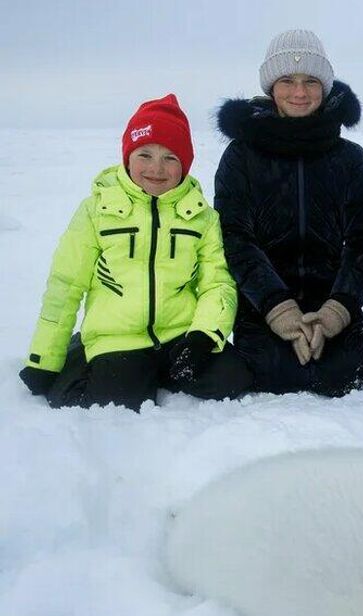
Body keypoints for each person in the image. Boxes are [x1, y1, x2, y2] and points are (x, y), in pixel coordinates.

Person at [19, 94, 250, 412]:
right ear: (127, 157)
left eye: (171, 157)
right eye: (145, 155)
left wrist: (203, 336)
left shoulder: (202, 216)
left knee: (233, 379)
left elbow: (217, 283)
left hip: (178, 334)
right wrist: (44, 358)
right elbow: (65, 285)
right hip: (119, 337)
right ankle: (81, 352)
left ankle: (162, 368)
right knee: (119, 402)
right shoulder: (96, 211)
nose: (157, 168)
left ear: (185, 164)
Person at [214, 29, 363, 397]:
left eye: (310, 81)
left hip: (334, 308)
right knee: (270, 375)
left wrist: (337, 310)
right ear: (271, 86)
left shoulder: (350, 159)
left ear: (325, 86)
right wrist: (278, 309)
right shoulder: (241, 157)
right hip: (264, 311)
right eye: (287, 81)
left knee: (344, 376)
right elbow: (235, 239)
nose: (299, 92)